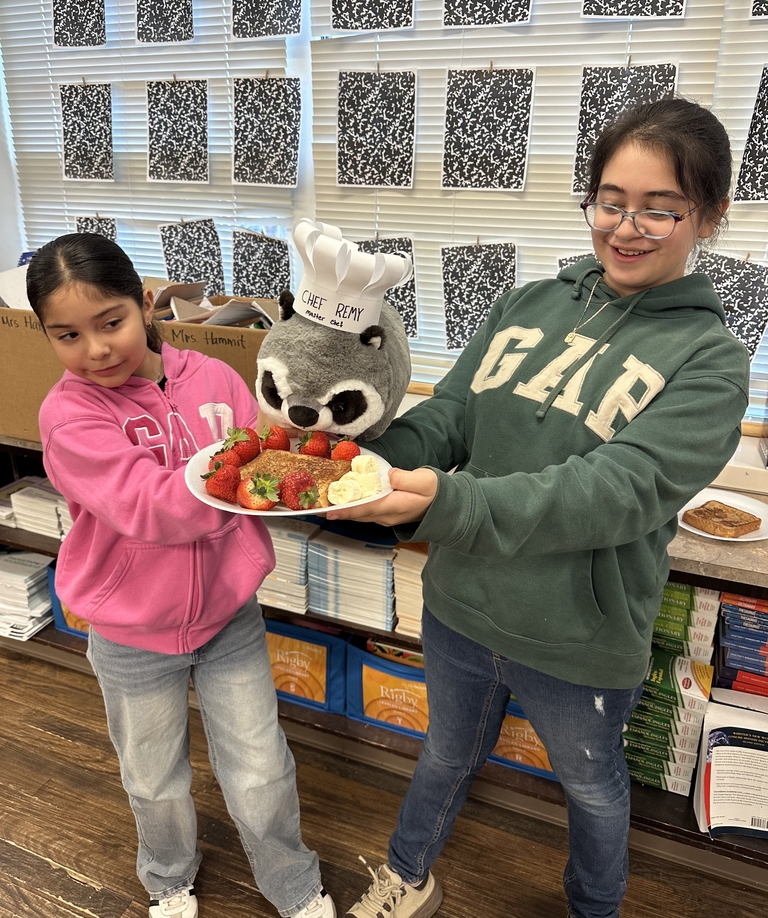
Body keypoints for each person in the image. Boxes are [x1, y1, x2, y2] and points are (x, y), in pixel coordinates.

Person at [329, 97, 750, 918]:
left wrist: (448, 503)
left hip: (578, 639)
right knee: (445, 753)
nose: (625, 229)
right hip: (460, 606)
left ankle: (595, 909)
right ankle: (407, 877)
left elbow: (616, 491)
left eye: (659, 210)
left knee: (592, 791)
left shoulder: (711, 360)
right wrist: (364, 463)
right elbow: (454, 415)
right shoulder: (526, 304)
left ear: (709, 216)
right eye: (609, 201)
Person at [26, 233, 336, 918]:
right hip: (130, 631)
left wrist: (306, 471)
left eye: (111, 322)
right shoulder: (70, 415)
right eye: (68, 335)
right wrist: (248, 487)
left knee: (260, 768)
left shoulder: (218, 380)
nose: (97, 349)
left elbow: (261, 455)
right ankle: (168, 878)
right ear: (48, 337)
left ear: (145, 304)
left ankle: (290, 880)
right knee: (153, 777)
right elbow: (147, 507)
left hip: (229, 616)